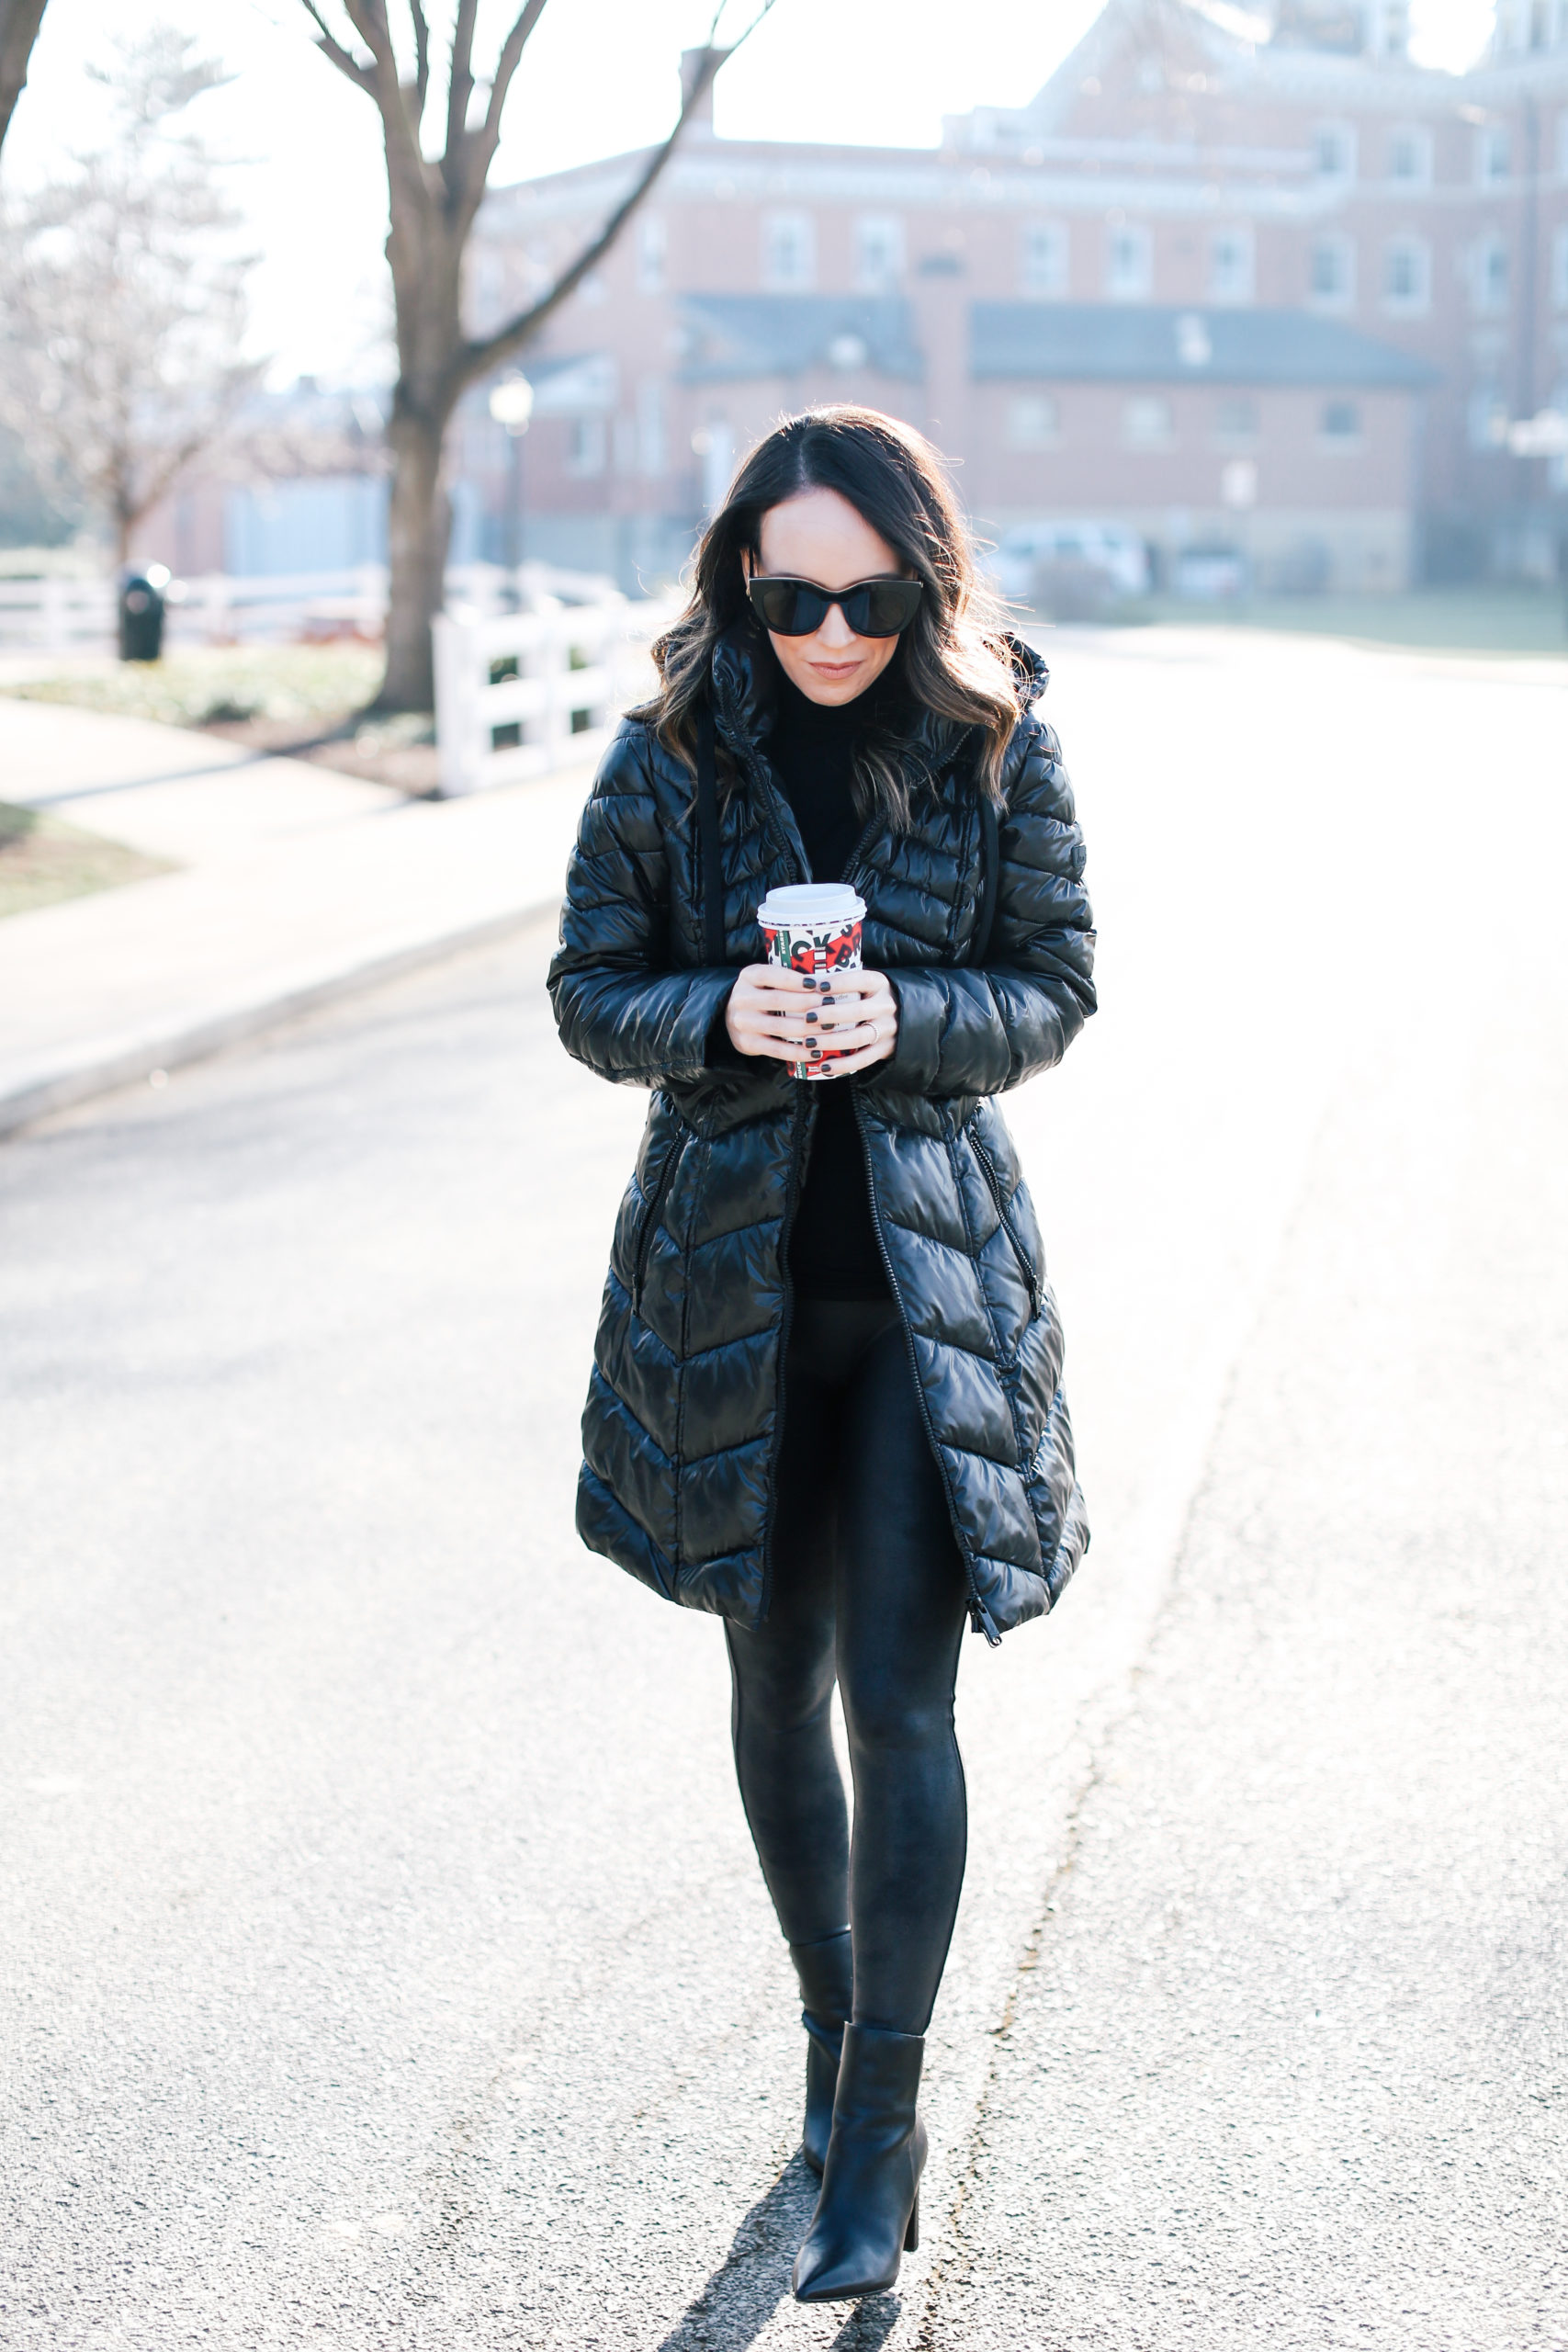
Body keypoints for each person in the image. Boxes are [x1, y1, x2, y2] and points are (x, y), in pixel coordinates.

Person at [547, 405, 1096, 2302]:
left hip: (929, 1303)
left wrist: (903, 1022)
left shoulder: (997, 739)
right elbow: (589, 991)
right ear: (741, 583)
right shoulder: (672, 749)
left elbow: (1054, 984)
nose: (834, 637)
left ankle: (880, 2126)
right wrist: (722, 1015)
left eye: (870, 601)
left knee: (901, 1705)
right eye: (794, 601)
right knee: (774, 1687)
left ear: (925, 586)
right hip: (731, 1299)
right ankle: (823, 2040)